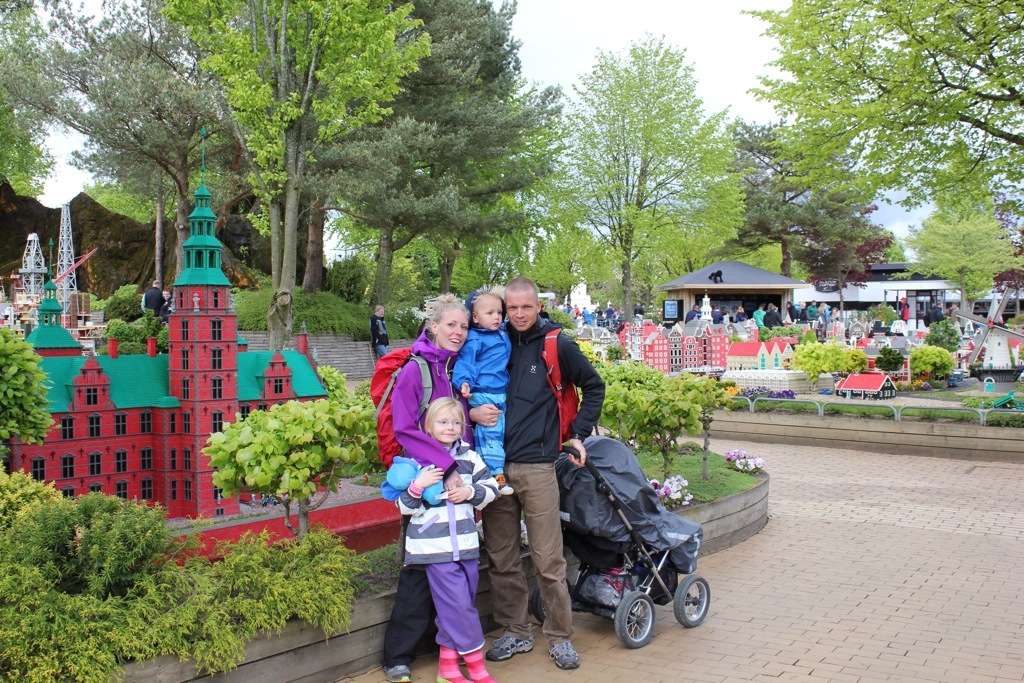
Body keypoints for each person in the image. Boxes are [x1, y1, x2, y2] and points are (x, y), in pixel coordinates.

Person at [471, 277, 605, 671]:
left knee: (548, 559)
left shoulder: (556, 344)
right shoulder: (494, 340)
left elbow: (593, 386)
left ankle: (560, 636)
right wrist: (472, 411)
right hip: (494, 469)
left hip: (538, 466)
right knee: (502, 556)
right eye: (511, 308)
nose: (518, 314)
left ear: (538, 306)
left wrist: (578, 434)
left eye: (525, 307)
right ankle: (515, 630)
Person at [381, 295, 472, 683]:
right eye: (451, 325)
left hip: (454, 480)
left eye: (463, 326)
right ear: (433, 326)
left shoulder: (452, 367)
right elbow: (404, 428)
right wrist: (447, 469)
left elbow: (453, 422)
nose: (458, 332)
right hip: (427, 480)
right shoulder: (415, 370)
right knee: (418, 569)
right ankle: (398, 656)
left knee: (452, 563)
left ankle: (444, 648)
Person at [395, 398, 500, 683]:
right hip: (434, 549)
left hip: (466, 547)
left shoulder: (470, 457)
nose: (450, 427)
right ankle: (477, 666)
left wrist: (469, 493)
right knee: (460, 608)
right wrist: (418, 486)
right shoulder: (416, 460)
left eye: (455, 422)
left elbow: (492, 487)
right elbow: (403, 507)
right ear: (428, 426)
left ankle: (448, 669)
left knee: (453, 609)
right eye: (443, 422)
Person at [453, 286, 513, 496]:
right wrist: (464, 382)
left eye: (499, 312)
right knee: (490, 435)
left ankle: (486, 473)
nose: (497, 317)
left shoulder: (500, 333)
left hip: (499, 392)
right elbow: (466, 362)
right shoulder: (475, 338)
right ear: (475, 318)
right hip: (484, 392)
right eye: (490, 313)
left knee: (496, 434)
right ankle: (496, 476)